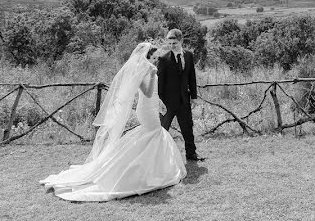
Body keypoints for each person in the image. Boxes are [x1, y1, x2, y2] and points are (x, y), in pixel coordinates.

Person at [40, 43, 186, 201]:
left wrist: (160, 103)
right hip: (146, 109)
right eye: (154, 57)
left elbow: (154, 94)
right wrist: (152, 74)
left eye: (157, 58)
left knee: (150, 136)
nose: (156, 60)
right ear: (147, 56)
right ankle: (144, 171)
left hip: (151, 107)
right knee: (156, 133)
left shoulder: (147, 68)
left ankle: (151, 169)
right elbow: (148, 92)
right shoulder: (143, 69)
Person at [157, 28, 204, 161]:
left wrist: (194, 97)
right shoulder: (163, 59)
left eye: (175, 43)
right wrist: (159, 102)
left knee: (187, 128)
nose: (172, 46)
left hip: (184, 100)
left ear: (181, 41)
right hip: (167, 103)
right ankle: (159, 157)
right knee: (162, 130)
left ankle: (191, 154)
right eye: (170, 43)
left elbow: (191, 77)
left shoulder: (189, 55)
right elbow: (160, 83)